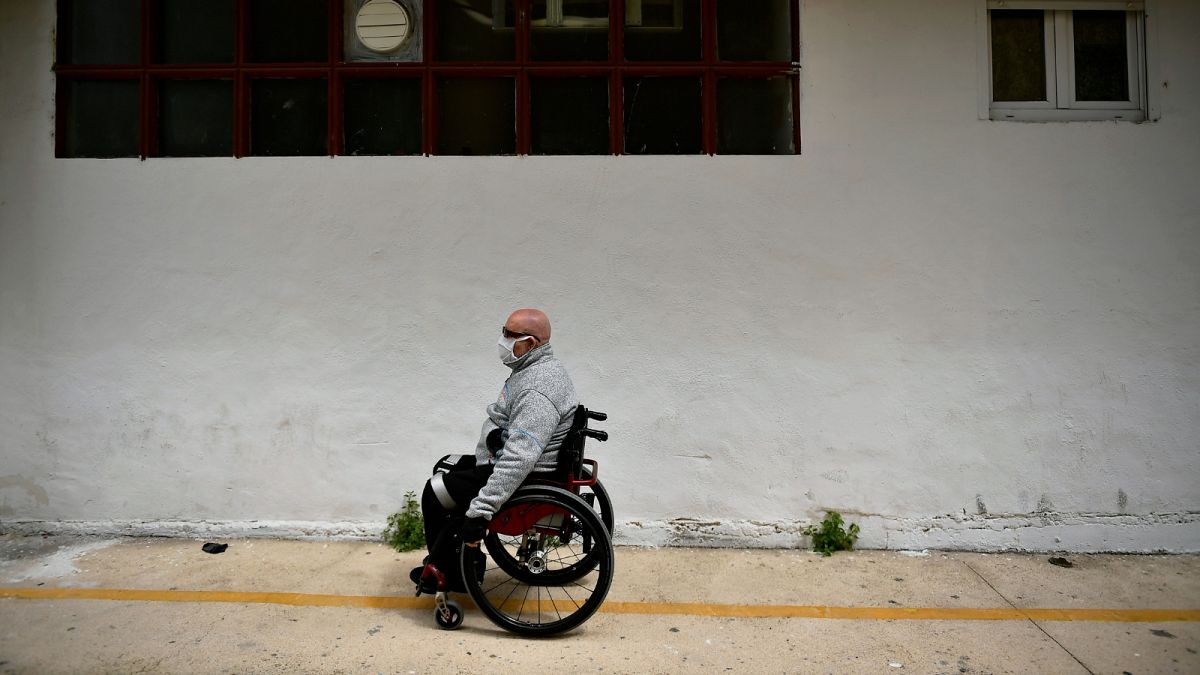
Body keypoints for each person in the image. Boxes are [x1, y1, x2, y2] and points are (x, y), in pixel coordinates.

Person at [410, 308, 579, 593]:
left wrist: (481, 509)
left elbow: (520, 457)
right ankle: (459, 558)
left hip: (525, 474)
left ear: (532, 344)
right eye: (504, 330)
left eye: (511, 335)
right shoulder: (536, 369)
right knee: (445, 466)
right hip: (507, 458)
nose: (503, 340)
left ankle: (454, 575)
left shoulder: (537, 389)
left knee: (435, 491)